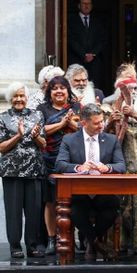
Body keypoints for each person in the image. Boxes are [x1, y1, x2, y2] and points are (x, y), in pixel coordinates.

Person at [55, 103, 126, 260]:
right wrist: (79, 168)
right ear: (83, 123)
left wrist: (106, 168)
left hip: (103, 192)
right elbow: (59, 164)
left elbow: (121, 166)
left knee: (112, 206)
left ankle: (90, 240)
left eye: (102, 121)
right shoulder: (69, 139)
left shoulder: (111, 140)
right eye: (96, 123)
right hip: (80, 193)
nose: (101, 125)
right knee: (74, 210)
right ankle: (96, 243)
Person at [106, 64, 137, 257]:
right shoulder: (110, 101)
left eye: (134, 81)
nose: (132, 87)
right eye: (128, 81)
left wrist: (136, 115)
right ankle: (119, 244)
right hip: (120, 159)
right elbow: (102, 133)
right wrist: (113, 120)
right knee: (122, 205)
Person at [0, 82, 46, 258]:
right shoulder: (3, 117)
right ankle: (15, 246)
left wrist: (35, 137)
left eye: (22, 96)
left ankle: (33, 245)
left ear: (27, 98)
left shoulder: (37, 115)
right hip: (12, 171)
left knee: (34, 210)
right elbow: (2, 147)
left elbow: (44, 144)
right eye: (15, 96)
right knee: (14, 211)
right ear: (10, 98)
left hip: (34, 169)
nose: (19, 99)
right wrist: (18, 136)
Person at [36, 76, 81, 255]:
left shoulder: (76, 108)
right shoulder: (42, 109)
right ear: (50, 92)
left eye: (63, 88)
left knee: (73, 200)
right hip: (48, 159)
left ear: (68, 91)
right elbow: (40, 131)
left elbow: (85, 129)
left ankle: (71, 239)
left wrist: (70, 123)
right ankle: (52, 239)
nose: (59, 91)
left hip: (72, 160)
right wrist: (62, 123)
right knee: (50, 201)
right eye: (55, 88)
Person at [68, 0, 107, 88]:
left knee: (95, 88)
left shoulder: (98, 21)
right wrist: (83, 54)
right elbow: (71, 40)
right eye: (84, 3)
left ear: (92, 6)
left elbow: (102, 40)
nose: (86, 6)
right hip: (77, 60)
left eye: (88, 4)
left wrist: (93, 54)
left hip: (95, 62)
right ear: (79, 5)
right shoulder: (71, 21)